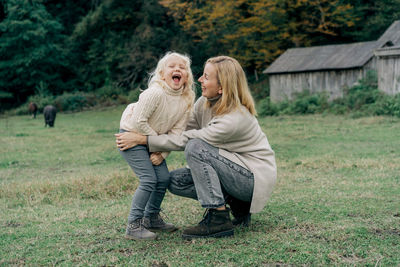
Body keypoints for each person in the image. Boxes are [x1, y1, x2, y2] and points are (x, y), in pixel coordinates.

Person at [115, 56, 277, 240]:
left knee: (195, 147)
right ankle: (236, 203)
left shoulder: (235, 118)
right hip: (232, 169)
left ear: (222, 87)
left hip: (251, 180)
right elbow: (184, 129)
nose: (200, 79)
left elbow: (187, 139)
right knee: (174, 180)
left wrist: (144, 139)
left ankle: (218, 219)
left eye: (206, 77)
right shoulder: (204, 102)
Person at [118, 52, 195, 240]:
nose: (177, 69)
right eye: (172, 66)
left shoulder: (187, 99)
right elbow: (139, 122)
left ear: (187, 76)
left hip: (153, 142)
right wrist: (155, 143)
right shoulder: (155, 92)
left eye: (182, 67)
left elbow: (177, 133)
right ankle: (134, 225)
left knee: (163, 179)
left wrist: (163, 152)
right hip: (131, 136)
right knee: (148, 180)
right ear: (161, 74)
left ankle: (151, 218)